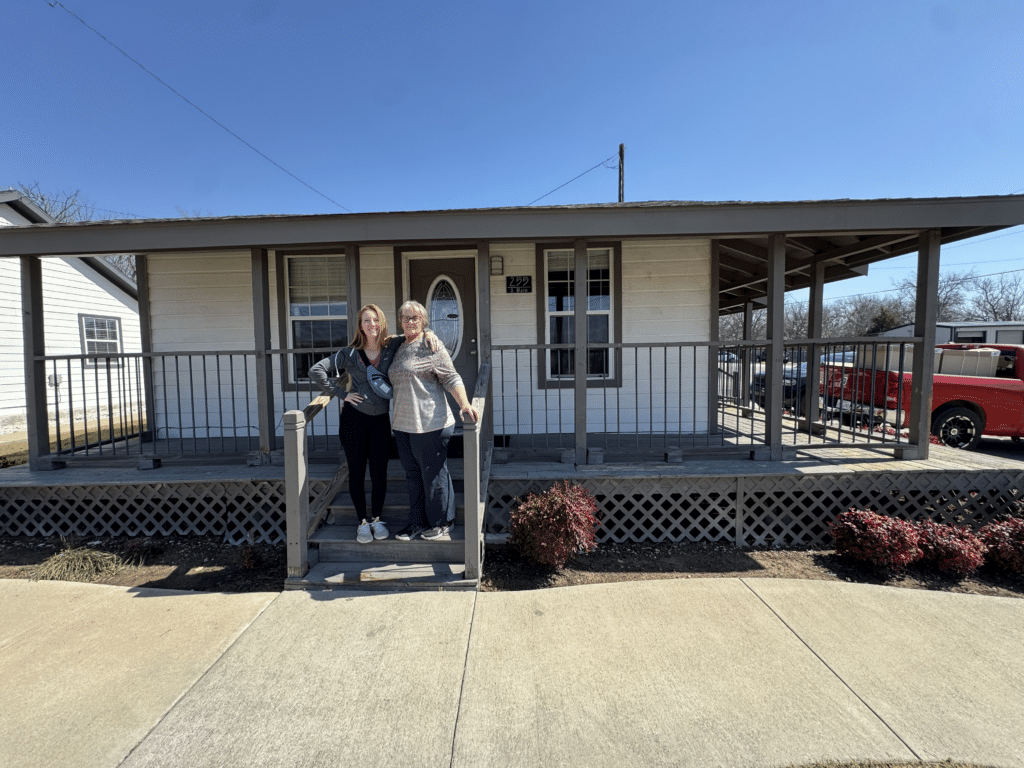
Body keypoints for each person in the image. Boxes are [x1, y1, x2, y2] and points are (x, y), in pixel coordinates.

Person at [308, 304, 401, 545]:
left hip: (380, 420)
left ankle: (377, 519)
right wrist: (341, 394)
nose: (371, 325)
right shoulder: (349, 353)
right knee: (357, 472)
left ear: (381, 323)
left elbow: (417, 333)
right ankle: (362, 522)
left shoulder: (390, 348)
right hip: (353, 421)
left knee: (380, 472)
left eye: (375, 320)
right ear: (360, 325)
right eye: (366, 320)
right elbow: (316, 371)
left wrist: (429, 336)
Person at [388, 300, 479, 542]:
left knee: (434, 475)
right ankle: (417, 522)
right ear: (400, 321)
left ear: (424, 322)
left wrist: (465, 404)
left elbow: (451, 378)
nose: (410, 321)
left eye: (415, 318)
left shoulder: (432, 346)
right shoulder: (396, 346)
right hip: (402, 424)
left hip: (431, 422)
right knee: (412, 475)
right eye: (406, 317)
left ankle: (442, 523)